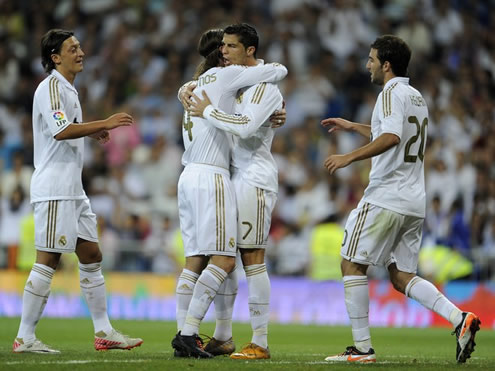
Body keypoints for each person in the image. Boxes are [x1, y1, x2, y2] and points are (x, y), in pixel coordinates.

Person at [321, 35, 480, 364]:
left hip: (386, 195)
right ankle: (460, 319)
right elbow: (394, 132)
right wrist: (354, 126)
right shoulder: (415, 96)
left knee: (351, 263)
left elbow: (392, 137)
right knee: (401, 275)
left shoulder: (389, 93)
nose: (368, 65)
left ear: (386, 64)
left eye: (371, 59)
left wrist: (349, 157)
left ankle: (363, 349)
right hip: (413, 200)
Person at [13, 29, 142, 353]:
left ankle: (104, 331)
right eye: (72, 48)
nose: (80, 51)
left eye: (80, 46)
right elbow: (60, 131)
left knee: (91, 254)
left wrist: (91, 132)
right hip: (55, 187)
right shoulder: (52, 87)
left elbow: (65, 129)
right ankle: (24, 336)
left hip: (73, 188)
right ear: (55, 57)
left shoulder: (69, 89)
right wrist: (104, 124)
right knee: (49, 259)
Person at [171, 27, 287, 359]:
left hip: (253, 179)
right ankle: (221, 335)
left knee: (251, 258)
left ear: (249, 51)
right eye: (222, 46)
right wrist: (188, 90)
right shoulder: (231, 83)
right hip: (228, 177)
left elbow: (247, 125)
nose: (225, 50)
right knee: (227, 260)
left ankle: (260, 341)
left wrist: (204, 107)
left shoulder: (261, 87)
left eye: (232, 46)